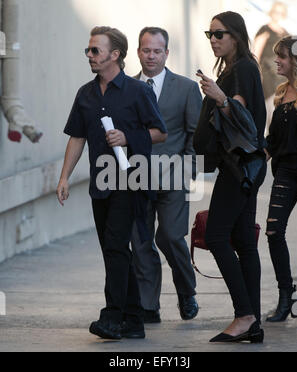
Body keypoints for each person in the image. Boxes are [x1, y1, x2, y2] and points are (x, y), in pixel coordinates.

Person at [56, 26, 167, 340]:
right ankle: (133, 320)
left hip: (131, 180)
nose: (89, 55)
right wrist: (64, 176)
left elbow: (160, 132)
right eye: (88, 50)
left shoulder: (138, 91)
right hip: (100, 181)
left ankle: (112, 317)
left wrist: (128, 137)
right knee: (113, 249)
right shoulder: (86, 94)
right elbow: (77, 136)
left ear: (115, 54)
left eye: (95, 50)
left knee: (117, 246)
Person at [193, 11, 267, 343]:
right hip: (246, 166)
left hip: (239, 166)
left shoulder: (242, 70)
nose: (213, 39)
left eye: (219, 34)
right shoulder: (240, 69)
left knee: (218, 236)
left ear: (236, 36)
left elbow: (244, 122)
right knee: (244, 242)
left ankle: (245, 314)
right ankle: (253, 323)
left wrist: (219, 98)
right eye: (209, 34)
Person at [130, 27, 202, 323]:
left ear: (166, 53)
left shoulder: (185, 88)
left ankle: (186, 291)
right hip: (134, 178)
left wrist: (188, 168)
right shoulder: (127, 87)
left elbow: (195, 133)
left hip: (173, 177)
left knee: (171, 236)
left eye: (157, 51)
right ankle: (149, 305)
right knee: (141, 242)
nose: (151, 56)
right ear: (138, 52)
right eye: (146, 50)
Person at [265, 35, 297, 322]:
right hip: (286, 171)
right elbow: (273, 140)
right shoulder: (279, 94)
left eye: (283, 56)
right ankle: (285, 296)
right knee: (274, 232)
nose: (277, 60)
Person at [253, 1, 289, 130]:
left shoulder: (286, 33)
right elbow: (256, 53)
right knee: (270, 111)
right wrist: (256, 75)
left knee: (283, 112)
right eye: (275, 12)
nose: (278, 15)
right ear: (271, 13)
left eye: (280, 12)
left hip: (283, 78)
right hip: (268, 76)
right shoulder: (265, 29)